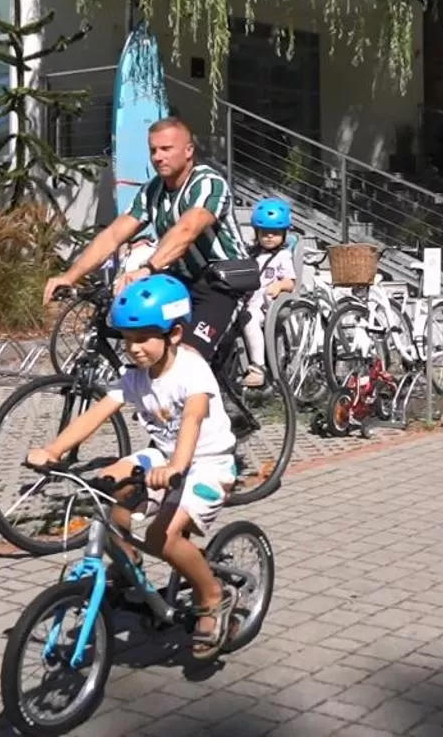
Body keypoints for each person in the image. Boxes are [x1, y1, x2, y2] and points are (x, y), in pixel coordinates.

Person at [24, 275, 239, 659]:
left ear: (174, 334)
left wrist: (177, 466)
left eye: (143, 339)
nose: (134, 348)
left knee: (162, 537)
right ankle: (129, 564)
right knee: (107, 487)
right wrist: (53, 450)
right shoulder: (134, 377)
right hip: (165, 456)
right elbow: (97, 413)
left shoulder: (192, 371)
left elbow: (192, 419)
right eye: (127, 340)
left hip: (208, 464)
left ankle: (211, 596)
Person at [44, 116, 250, 364]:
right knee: (149, 338)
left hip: (222, 282)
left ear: (188, 151)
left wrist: (147, 268)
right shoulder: (153, 190)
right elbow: (113, 235)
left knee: (187, 359)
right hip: (181, 280)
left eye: (166, 149)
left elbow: (186, 230)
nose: (158, 157)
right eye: (153, 150)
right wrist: (70, 276)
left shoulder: (208, 183)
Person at [240, 197, 298, 390]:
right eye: (264, 233)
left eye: (275, 233)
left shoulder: (283, 256)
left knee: (250, 319)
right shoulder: (250, 254)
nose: (269, 237)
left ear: (284, 233)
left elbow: (291, 282)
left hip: (265, 306)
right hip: (246, 301)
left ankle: (258, 368)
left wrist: (279, 285)